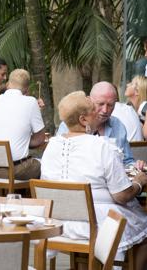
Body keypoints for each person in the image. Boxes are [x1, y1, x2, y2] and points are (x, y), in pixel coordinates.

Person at [41, 91, 147, 268]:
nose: (99, 113)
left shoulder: (51, 146)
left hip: (58, 222)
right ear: (83, 120)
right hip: (96, 224)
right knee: (144, 230)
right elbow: (121, 195)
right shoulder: (101, 146)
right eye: (93, 111)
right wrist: (139, 182)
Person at [57, 81, 143, 168]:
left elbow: (127, 161)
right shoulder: (70, 124)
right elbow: (59, 160)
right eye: (101, 104)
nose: (105, 110)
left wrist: (136, 166)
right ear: (89, 100)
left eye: (110, 105)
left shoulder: (117, 125)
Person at [0, 69, 45, 180]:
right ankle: (24, 197)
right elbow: (40, 139)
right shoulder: (31, 102)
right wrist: (23, 140)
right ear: (26, 88)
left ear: (8, 84)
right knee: (45, 166)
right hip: (13, 171)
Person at [124, 75, 147, 140]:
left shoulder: (145, 107)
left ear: (137, 91)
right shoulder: (129, 108)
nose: (127, 84)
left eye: (131, 84)